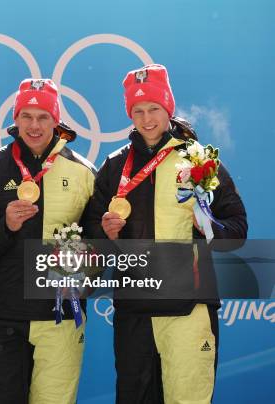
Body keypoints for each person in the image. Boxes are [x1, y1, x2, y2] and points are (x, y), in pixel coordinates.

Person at [83, 64, 247, 403]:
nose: (146, 119)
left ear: (168, 108)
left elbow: (238, 230)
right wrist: (105, 230)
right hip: (135, 309)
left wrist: (208, 226)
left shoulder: (199, 160)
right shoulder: (115, 166)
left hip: (190, 307)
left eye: (153, 109)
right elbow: (89, 235)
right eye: (137, 111)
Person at [0, 78, 96, 403]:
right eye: (26, 116)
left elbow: (99, 250)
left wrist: (81, 270)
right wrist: (6, 226)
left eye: (43, 117)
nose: (34, 125)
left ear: (56, 120)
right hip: (1, 319)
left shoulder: (84, 172)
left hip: (60, 319)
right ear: (15, 119)